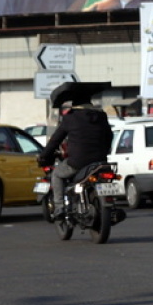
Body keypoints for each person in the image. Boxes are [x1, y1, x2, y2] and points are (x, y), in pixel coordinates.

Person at [37, 81, 115, 210]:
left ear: (74, 103)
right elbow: (109, 136)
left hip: (77, 163)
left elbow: (55, 141)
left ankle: (59, 207)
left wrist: (43, 156)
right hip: (100, 162)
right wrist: (104, 151)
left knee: (57, 175)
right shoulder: (101, 116)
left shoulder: (70, 118)